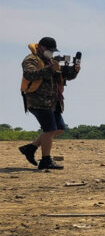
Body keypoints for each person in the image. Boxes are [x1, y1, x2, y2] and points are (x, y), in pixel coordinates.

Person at [18, 37, 80, 170]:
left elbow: (63, 77)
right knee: (49, 129)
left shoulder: (51, 61)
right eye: (49, 50)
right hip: (38, 101)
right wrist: (49, 69)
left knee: (59, 128)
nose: (51, 53)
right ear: (40, 47)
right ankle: (45, 160)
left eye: (53, 50)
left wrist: (74, 72)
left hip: (53, 101)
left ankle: (31, 147)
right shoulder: (31, 59)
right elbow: (29, 74)